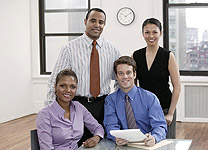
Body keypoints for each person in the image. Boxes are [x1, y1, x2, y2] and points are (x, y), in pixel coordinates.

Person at [46, 8, 121, 145]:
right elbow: (55, 81)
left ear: (104, 25)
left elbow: (119, 80)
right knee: (77, 143)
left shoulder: (113, 50)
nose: (97, 25)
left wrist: (115, 103)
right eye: (93, 21)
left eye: (101, 22)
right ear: (85, 22)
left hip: (103, 105)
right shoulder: (69, 49)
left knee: (103, 142)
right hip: (77, 104)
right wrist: (51, 111)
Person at [132, 18, 181, 138]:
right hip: (144, 109)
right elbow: (133, 86)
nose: (151, 36)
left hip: (164, 108)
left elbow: (177, 87)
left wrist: (170, 113)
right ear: (142, 33)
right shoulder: (136, 55)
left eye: (154, 32)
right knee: (146, 142)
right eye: (147, 32)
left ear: (161, 33)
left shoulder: (168, 56)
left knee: (166, 143)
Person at [104, 56, 167, 147]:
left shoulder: (150, 98)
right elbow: (110, 125)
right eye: (121, 73)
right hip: (123, 146)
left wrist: (154, 137)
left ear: (134, 74)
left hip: (147, 145)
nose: (125, 77)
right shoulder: (110, 100)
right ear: (116, 77)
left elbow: (160, 126)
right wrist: (115, 138)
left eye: (128, 73)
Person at [36, 69, 104, 150]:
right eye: (63, 86)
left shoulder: (79, 107)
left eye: (72, 87)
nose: (68, 90)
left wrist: (96, 138)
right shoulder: (45, 114)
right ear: (55, 87)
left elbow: (98, 128)